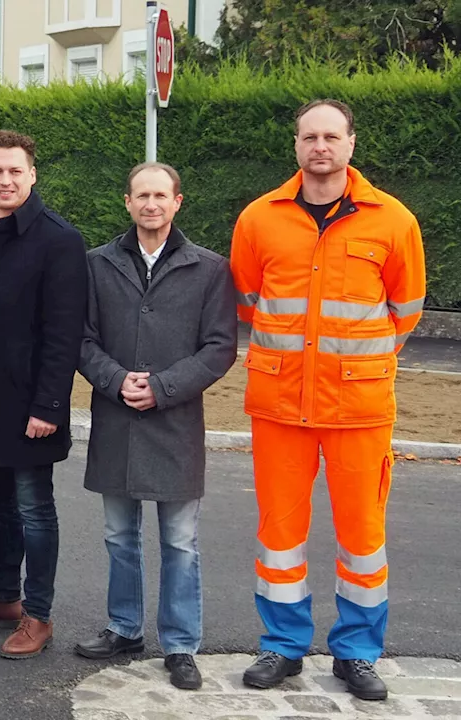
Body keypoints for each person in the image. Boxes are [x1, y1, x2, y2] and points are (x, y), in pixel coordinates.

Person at [231, 99, 426, 701]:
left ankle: (358, 652)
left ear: (350, 144)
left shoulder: (394, 221)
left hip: (358, 409)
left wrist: (349, 366)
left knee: (362, 536)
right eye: (309, 136)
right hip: (280, 404)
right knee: (280, 534)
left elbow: (406, 312)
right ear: (295, 145)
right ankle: (283, 645)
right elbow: (248, 302)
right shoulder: (259, 219)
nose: (320, 146)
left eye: (331, 137)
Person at [74, 162, 238, 690]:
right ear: (127, 202)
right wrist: (117, 379)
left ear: (177, 202)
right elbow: (81, 339)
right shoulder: (97, 265)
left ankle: (181, 643)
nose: (150, 204)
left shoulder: (210, 269)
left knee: (181, 541)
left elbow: (220, 347)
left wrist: (164, 387)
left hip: (176, 424)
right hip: (117, 418)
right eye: (141, 195)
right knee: (119, 536)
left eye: (160, 196)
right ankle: (124, 627)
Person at [0, 130, 88, 659]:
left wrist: (50, 405)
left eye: (15, 172)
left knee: (34, 508)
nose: (5, 180)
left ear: (32, 175)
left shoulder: (59, 239)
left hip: (32, 404)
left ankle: (38, 614)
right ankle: (3, 597)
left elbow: (64, 332)